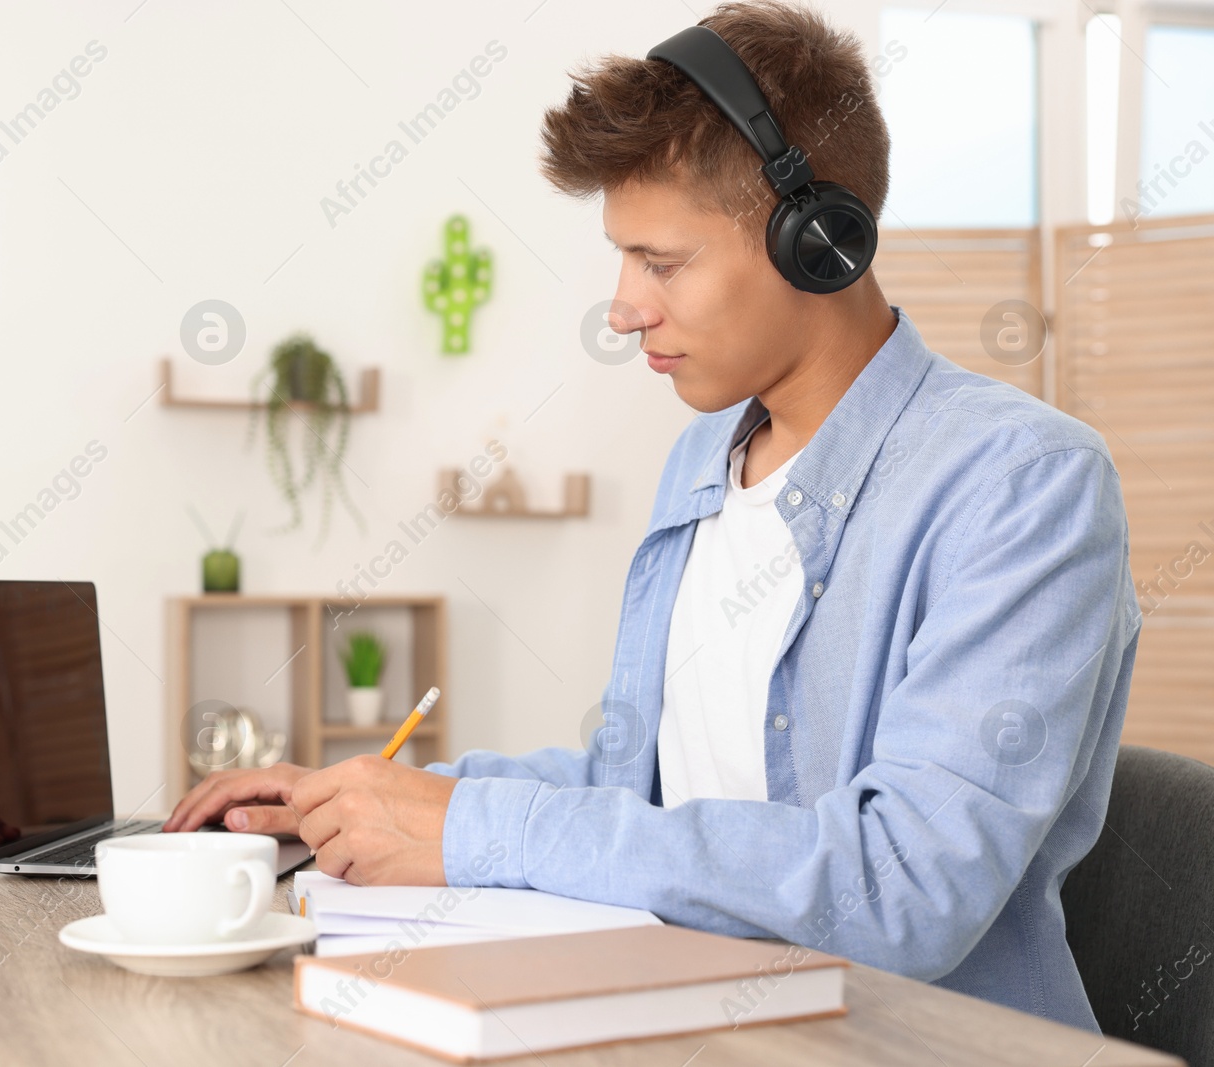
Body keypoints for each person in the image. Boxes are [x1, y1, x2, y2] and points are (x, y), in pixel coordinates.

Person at [166, 0, 1137, 1032]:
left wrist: (476, 824)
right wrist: (360, 801)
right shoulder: (701, 463)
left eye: (661, 263)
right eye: (622, 259)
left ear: (820, 243)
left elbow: (900, 887)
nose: (623, 305)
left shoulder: (1022, 484)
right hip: (707, 1023)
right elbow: (642, 783)